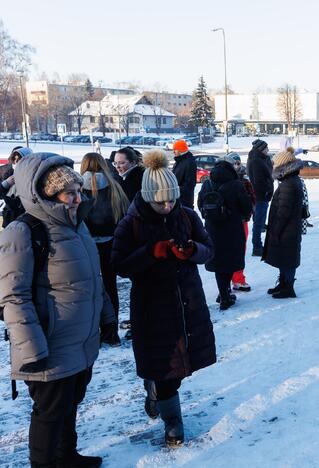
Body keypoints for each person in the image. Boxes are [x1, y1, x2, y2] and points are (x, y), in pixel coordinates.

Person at [0, 152, 114, 467]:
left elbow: (93, 277)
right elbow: (12, 296)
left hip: (79, 339)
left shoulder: (77, 225)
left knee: (71, 403)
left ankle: (67, 457)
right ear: (46, 194)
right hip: (48, 344)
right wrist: (32, 349)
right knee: (49, 413)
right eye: (69, 193)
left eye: (78, 191)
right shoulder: (23, 231)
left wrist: (106, 317)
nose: (78, 198)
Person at [111, 149, 216, 447]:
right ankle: (173, 423)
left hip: (186, 303)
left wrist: (192, 250)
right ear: (147, 197)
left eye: (171, 199)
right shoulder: (130, 223)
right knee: (166, 368)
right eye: (161, 201)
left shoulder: (186, 215)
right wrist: (150, 253)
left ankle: (155, 389)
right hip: (152, 308)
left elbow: (210, 249)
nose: (167, 205)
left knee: (180, 368)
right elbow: (119, 265)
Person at [80, 152, 130, 346]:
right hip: (110, 244)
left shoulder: (77, 189)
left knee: (89, 289)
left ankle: (93, 332)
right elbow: (123, 216)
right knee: (110, 288)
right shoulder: (114, 187)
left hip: (86, 246)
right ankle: (111, 331)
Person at [197, 154, 252, 310]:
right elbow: (246, 207)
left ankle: (223, 291)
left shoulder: (207, 184)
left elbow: (200, 203)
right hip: (232, 229)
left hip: (212, 229)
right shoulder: (236, 184)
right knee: (229, 261)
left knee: (218, 262)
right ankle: (225, 296)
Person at [263, 147, 305, 299]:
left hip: (288, 229)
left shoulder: (288, 184)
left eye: (275, 165)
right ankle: (283, 284)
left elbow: (284, 211)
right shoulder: (290, 180)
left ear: (283, 166)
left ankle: (288, 287)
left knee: (287, 259)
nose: (273, 167)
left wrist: (276, 229)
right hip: (288, 229)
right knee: (284, 257)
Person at [229, 153, 256, 292]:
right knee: (226, 250)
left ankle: (238, 279)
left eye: (238, 163)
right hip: (226, 222)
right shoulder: (219, 179)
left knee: (240, 250)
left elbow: (252, 201)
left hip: (241, 221)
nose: (236, 165)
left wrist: (248, 211)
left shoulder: (245, 182)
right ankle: (226, 281)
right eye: (234, 163)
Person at [247, 139, 273, 256]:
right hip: (260, 196)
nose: (268, 150)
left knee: (259, 222)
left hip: (261, 195)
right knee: (258, 222)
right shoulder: (256, 161)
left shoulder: (259, 159)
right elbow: (258, 181)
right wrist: (266, 192)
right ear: (261, 149)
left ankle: (257, 245)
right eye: (266, 148)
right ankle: (257, 247)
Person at [0, 146, 32, 227]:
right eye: (14, 159)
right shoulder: (8, 174)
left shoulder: (32, 177)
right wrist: (5, 184)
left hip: (26, 222)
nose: (16, 162)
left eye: (19, 159)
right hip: (9, 220)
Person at [171, 140, 196, 210]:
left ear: (180, 150)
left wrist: (175, 190)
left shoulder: (189, 162)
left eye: (175, 150)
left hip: (185, 202)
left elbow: (189, 184)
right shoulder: (179, 161)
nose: (173, 152)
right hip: (177, 199)